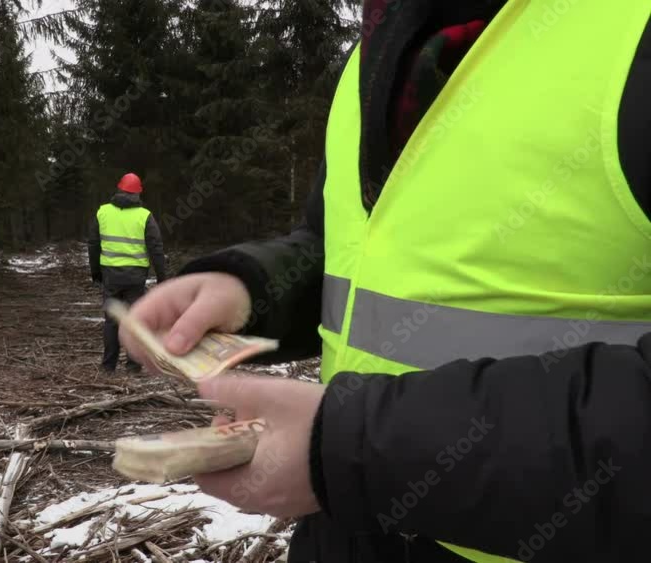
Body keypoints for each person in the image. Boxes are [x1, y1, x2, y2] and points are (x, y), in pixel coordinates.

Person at [121, 1, 651, 562]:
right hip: (346, 529)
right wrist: (249, 288)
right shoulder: (376, 50)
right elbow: (355, 247)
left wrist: (353, 450)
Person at [88, 172, 167, 373]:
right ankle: (133, 367)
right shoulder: (144, 216)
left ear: (119, 189)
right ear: (138, 193)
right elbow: (156, 248)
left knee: (111, 321)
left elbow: (93, 244)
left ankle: (108, 367)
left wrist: (96, 272)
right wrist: (161, 277)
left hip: (111, 276)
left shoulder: (102, 212)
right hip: (135, 278)